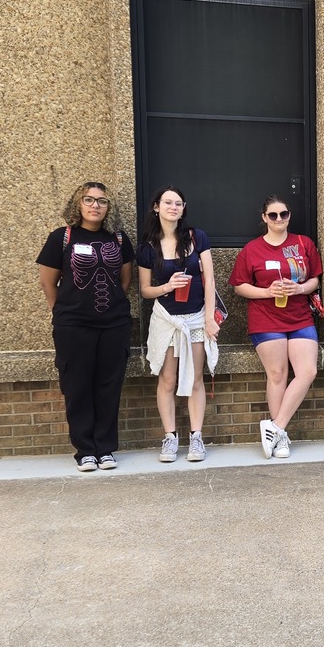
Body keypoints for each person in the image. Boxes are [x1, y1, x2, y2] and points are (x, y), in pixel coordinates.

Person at [36, 181, 134, 472]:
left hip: (113, 325)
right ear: (78, 204)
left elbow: (124, 280)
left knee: (108, 386)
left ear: (109, 207)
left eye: (102, 201)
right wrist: (65, 311)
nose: (95, 206)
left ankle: (105, 449)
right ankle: (85, 450)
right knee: (77, 386)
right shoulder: (61, 238)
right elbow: (47, 282)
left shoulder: (118, 239)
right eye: (89, 200)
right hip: (73, 326)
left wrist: (110, 308)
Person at [230, 196, 323, 459]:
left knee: (307, 371)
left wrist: (301, 288)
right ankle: (281, 439)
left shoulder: (303, 243)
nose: (279, 219)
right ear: (264, 218)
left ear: (289, 216)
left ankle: (276, 428)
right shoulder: (252, 249)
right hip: (265, 318)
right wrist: (266, 291)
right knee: (278, 373)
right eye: (273, 215)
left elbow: (315, 278)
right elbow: (239, 285)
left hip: (300, 316)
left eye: (284, 214)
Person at [137, 186, 220, 463]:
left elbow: (209, 280)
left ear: (183, 208)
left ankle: (196, 437)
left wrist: (210, 318)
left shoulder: (198, 238)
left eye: (179, 203)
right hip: (166, 320)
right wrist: (167, 286)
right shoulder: (148, 247)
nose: (174, 207)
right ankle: (170, 437)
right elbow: (145, 290)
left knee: (196, 378)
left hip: (196, 318)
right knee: (168, 379)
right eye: (168, 202)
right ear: (156, 207)